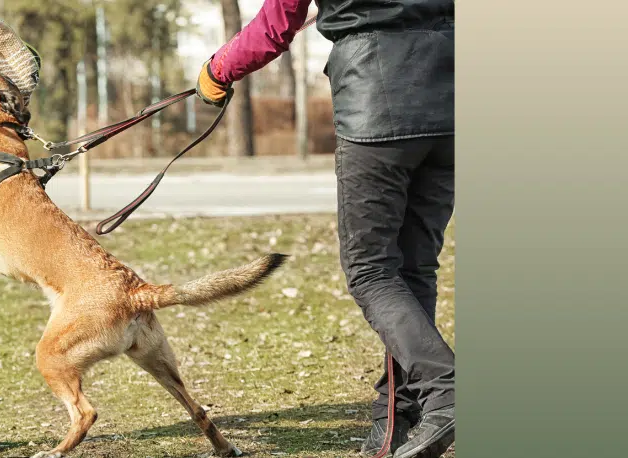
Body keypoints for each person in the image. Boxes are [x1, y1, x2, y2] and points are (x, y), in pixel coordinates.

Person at [195, 1, 455, 457]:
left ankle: (446, 389)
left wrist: (218, 70)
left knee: (371, 270)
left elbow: (275, 26)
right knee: (413, 271)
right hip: (451, 104)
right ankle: (396, 419)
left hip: (377, 105)